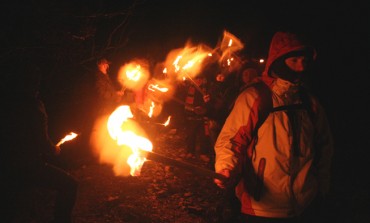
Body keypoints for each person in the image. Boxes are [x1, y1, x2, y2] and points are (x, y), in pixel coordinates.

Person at [213, 31, 334, 222]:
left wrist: (321, 187)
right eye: (294, 60)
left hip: (306, 205)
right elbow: (231, 140)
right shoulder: (255, 97)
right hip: (261, 207)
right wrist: (226, 167)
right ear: (278, 61)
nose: (301, 67)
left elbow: (324, 147)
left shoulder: (310, 103)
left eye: (304, 60)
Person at [1, 64, 78, 223]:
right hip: (27, 166)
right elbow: (41, 142)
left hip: (8, 164)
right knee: (70, 185)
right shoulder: (34, 107)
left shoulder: (7, 104)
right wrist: (54, 149)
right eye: (36, 81)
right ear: (32, 83)